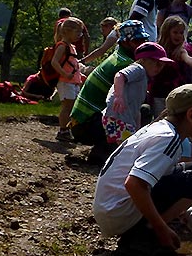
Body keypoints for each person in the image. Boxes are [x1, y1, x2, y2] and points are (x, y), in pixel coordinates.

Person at [92, 84, 192, 256]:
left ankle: (144, 231)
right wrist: (162, 229)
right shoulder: (168, 139)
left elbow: (169, 183)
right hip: (117, 213)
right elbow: (134, 184)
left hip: (109, 209)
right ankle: (142, 237)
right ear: (191, 115)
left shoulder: (162, 130)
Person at [70, 20, 150, 163]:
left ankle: (106, 149)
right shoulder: (125, 64)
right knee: (144, 111)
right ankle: (103, 153)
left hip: (80, 122)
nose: (142, 44)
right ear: (125, 42)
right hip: (85, 125)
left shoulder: (117, 56)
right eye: (137, 41)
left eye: (144, 40)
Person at [102, 42, 173, 146]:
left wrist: (137, 129)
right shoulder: (138, 69)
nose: (159, 68)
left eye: (162, 65)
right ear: (143, 60)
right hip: (118, 116)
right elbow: (119, 76)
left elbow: (137, 108)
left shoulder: (144, 78)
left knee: (128, 144)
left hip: (124, 118)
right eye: (156, 63)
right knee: (127, 148)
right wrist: (118, 96)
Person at [150, 16, 192, 117]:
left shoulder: (180, 51)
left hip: (176, 95)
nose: (179, 36)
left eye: (181, 33)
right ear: (167, 32)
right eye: (175, 32)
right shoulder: (158, 49)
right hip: (159, 93)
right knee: (160, 119)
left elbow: (189, 59)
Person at [52, 17, 86, 142]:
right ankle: (63, 130)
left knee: (71, 107)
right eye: (78, 33)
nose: (80, 36)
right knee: (67, 106)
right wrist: (64, 74)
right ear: (67, 31)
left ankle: (68, 129)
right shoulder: (62, 46)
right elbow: (54, 62)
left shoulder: (71, 46)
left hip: (73, 82)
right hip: (65, 82)